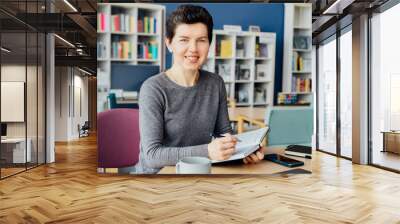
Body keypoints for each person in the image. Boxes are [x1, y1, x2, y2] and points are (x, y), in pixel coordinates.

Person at [135, 4, 265, 174]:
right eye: (184, 40)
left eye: (201, 40)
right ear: (169, 43)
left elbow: (224, 134)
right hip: (157, 179)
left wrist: (243, 151)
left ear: (209, 44)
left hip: (199, 171)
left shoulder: (215, 83)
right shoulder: (153, 88)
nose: (193, 49)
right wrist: (208, 151)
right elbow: (152, 155)